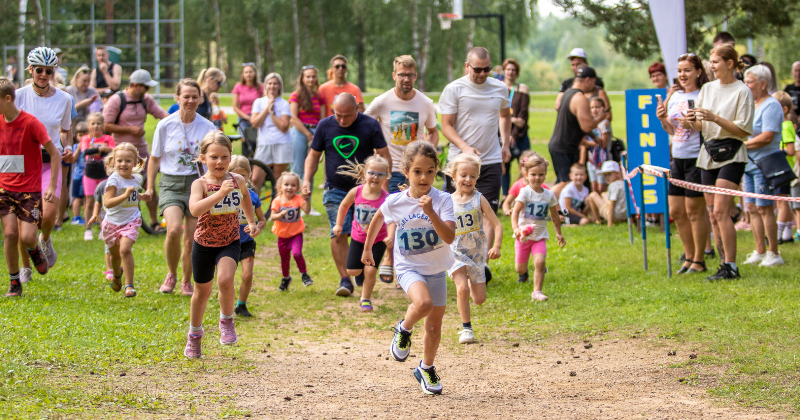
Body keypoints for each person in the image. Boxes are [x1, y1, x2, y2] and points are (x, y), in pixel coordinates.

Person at [361, 141, 456, 395]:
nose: (424, 177)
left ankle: (426, 368)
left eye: (430, 171)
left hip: (436, 268)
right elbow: (378, 218)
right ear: (406, 171)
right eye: (417, 171)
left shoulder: (443, 200)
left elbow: (449, 237)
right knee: (423, 304)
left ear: (436, 171)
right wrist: (367, 248)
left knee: (434, 327)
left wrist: (431, 212)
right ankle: (404, 328)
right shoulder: (395, 201)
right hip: (408, 267)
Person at [302, 93, 391, 296]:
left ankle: (359, 266)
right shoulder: (325, 125)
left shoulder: (370, 125)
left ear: (357, 109)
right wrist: (306, 179)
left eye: (347, 116)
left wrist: (383, 188)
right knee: (338, 231)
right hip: (335, 188)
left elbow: (384, 155)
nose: (342, 120)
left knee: (366, 229)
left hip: (366, 191)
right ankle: (345, 280)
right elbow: (313, 156)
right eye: (338, 115)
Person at [184, 131, 260, 359]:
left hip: (230, 241)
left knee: (226, 280)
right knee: (202, 292)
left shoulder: (237, 180)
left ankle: (226, 321)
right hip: (204, 244)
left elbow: (245, 197)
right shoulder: (200, 184)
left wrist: (251, 221)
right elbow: (194, 210)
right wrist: (220, 193)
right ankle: (194, 335)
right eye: (214, 157)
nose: (219, 162)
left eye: (224, 157)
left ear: (230, 157)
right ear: (203, 158)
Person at [364, 55, 438, 282]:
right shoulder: (382, 102)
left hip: (417, 171)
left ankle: (409, 266)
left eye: (410, 75)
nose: (406, 79)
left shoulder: (425, 103)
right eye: (402, 75)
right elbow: (365, 124)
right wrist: (375, 154)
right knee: (393, 215)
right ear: (394, 75)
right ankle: (389, 259)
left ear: (415, 76)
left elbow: (433, 131)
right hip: (392, 168)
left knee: (414, 217)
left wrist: (430, 152)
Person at [689, 44, 754, 281]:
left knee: (721, 210)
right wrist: (690, 121)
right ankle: (723, 264)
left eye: (715, 62)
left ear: (729, 63)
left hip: (732, 153)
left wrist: (715, 118)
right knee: (712, 213)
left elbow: (743, 131)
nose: (712, 66)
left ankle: (732, 266)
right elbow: (701, 125)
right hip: (708, 153)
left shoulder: (742, 91)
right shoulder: (707, 88)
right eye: (711, 62)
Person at [148, 79, 217, 296]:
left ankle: (187, 280)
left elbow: (215, 158)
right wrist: (150, 186)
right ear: (177, 98)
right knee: (173, 230)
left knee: (191, 237)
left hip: (196, 184)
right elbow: (154, 158)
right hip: (170, 183)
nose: (190, 100)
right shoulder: (165, 125)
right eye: (186, 96)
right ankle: (171, 273)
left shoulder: (208, 127)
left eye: (195, 97)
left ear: (200, 99)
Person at [15, 47, 74, 282]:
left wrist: (68, 146)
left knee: (48, 215)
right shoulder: (18, 96)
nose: (43, 75)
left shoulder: (64, 98)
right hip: (23, 163)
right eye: (39, 70)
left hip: (51, 161)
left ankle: (45, 239)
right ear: (30, 70)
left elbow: (66, 130)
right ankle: (24, 267)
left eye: (49, 71)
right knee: (22, 219)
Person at [0, 76, 59, 296]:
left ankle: (34, 249)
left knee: (26, 237)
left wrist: (51, 186)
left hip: (29, 190)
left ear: (8, 98)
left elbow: (54, 153)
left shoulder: (30, 123)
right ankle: (14, 282)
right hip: (4, 188)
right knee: (9, 234)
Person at [656, 52, 712, 274]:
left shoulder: (705, 95)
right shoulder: (676, 96)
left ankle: (699, 259)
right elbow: (672, 130)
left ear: (698, 72)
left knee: (694, 212)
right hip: (677, 159)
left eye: (687, 70)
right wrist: (663, 119)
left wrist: (694, 124)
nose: (683, 75)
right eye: (680, 71)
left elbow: (710, 127)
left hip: (697, 158)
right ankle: (688, 257)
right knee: (677, 211)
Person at [444, 154, 502, 344]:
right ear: (454, 176)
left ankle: (471, 279)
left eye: (472, 176)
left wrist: (496, 246)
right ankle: (466, 328)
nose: (468, 180)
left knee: (479, 299)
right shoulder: (446, 201)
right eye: (463, 175)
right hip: (455, 253)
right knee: (462, 288)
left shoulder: (479, 199)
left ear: (477, 178)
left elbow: (497, 225)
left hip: (476, 255)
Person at [103, 69, 169, 231]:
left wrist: (179, 121)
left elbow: (162, 115)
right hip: (121, 152)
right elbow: (106, 125)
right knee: (119, 188)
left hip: (141, 152)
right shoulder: (117, 100)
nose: (148, 90)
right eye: (145, 87)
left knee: (149, 185)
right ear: (135, 85)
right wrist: (130, 129)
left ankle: (154, 222)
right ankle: (117, 222)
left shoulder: (146, 100)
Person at [738, 65, 784, 267]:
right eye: (745, 82)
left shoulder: (771, 105)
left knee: (764, 208)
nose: (746, 86)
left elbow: (767, 136)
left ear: (763, 84)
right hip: (748, 164)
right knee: (751, 208)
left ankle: (774, 252)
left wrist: (742, 145)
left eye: (750, 82)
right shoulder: (750, 105)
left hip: (764, 163)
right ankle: (760, 250)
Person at [332, 156, 391, 311]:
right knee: (353, 270)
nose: (375, 177)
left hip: (377, 240)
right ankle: (360, 275)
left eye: (380, 174)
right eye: (372, 173)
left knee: (370, 270)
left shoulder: (386, 198)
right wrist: (339, 224)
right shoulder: (356, 191)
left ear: (386, 176)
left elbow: (392, 219)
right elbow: (344, 205)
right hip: (358, 238)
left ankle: (365, 299)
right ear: (365, 173)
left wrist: (390, 236)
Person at [93, 143, 151, 297]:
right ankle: (117, 276)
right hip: (112, 223)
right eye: (119, 161)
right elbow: (107, 202)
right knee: (115, 256)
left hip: (131, 221)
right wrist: (125, 195)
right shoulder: (114, 180)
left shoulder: (137, 179)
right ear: (114, 162)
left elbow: (133, 195)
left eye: (127, 161)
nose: (123, 164)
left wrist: (142, 196)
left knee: (125, 250)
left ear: (135, 162)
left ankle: (129, 285)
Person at [511, 153, 565, 301]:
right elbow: (515, 212)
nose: (537, 178)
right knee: (520, 268)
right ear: (526, 175)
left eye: (541, 174)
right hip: (523, 237)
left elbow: (554, 216)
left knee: (540, 262)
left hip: (539, 237)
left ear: (545, 175)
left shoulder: (549, 195)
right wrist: (516, 229)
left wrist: (559, 233)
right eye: (533, 174)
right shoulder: (525, 192)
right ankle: (525, 273)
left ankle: (537, 292)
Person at [549, 65, 606, 198]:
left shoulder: (568, 93)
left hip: (560, 146)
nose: (595, 86)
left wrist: (594, 137)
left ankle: (559, 207)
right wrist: (601, 117)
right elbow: (586, 126)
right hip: (564, 148)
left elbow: (578, 123)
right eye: (594, 82)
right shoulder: (580, 98)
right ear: (588, 80)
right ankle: (540, 202)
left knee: (565, 182)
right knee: (567, 183)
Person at [227, 156, 267, 317]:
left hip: (246, 242)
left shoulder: (253, 197)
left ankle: (241, 305)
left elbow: (262, 220)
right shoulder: (223, 195)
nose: (238, 179)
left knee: (247, 275)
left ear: (249, 175)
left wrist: (257, 227)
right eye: (234, 175)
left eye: (242, 176)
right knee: (227, 278)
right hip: (228, 243)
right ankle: (226, 308)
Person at [289, 66, 325, 216]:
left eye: (313, 77)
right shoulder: (296, 95)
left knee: (311, 169)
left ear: (316, 79)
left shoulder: (319, 97)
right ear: (303, 79)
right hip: (299, 132)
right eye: (308, 77)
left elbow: (322, 119)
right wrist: (309, 135)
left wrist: (316, 136)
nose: (311, 79)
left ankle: (307, 206)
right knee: (297, 168)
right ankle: (293, 205)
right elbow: (293, 118)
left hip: (316, 131)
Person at [270, 172, 313, 292]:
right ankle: (286, 278)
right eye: (286, 184)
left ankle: (304, 275)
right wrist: (280, 214)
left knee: (297, 254)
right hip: (282, 236)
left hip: (296, 235)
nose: (289, 187)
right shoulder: (277, 201)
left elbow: (307, 211)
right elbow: (272, 216)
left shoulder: (298, 199)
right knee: (285, 260)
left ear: (298, 188)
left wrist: (306, 199)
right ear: (280, 187)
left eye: (293, 185)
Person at [251, 73, 292, 189]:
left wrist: (272, 113)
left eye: (275, 83)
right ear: (265, 85)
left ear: (280, 86)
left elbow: (284, 127)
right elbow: (255, 123)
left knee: (279, 179)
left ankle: (278, 200)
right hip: (264, 143)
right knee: (255, 179)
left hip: (282, 142)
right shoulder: (259, 102)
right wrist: (267, 108)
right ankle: (255, 201)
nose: (272, 86)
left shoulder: (284, 104)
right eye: (269, 83)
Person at [80, 112, 115, 241]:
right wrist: (101, 149)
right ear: (89, 125)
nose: (96, 126)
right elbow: (86, 151)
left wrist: (96, 149)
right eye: (93, 123)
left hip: (104, 172)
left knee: (104, 201)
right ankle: (88, 229)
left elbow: (113, 151)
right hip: (90, 172)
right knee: (89, 201)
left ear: (103, 125)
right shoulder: (86, 138)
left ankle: (103, 228)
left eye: (98, 123)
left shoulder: (108, 138)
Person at [554, 48, 612, 120]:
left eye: (578, 64)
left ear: (586, 64)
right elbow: (558, 105)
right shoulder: (566, 83)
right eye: (573, 65)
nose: (576, 68)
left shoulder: (596, 83)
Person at [501, 58, 531, 196]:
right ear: (504, 71)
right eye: (508, 69)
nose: (510, 72)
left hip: (520, 135)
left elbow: (522, 119)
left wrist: (512, 134)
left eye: (513, 70)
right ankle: (505, 196)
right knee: (504, 166)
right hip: (502, 134)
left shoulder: (523, 89)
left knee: (527, 164)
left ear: (517, 72)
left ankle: (519, 193)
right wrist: (512, 121)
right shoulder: (498, 88)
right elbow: (496, 114)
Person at [772, 91, 797, 244]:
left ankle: (778, 235)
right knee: (783, 201)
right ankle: (787, 234)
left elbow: (791, 150)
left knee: (781, 202)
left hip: (784, 168)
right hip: (780, 167)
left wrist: (775, 150)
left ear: (784, 109)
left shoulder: (786, 126)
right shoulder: (782, 125)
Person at [586, 161, 628, 226]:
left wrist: (609, 224)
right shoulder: (624, 183)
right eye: (605, 175)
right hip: (625, 216)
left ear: (618, 173)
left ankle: (598, 221)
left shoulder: (613, 185)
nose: (607, 177)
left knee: (592, 195)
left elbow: (611, 206)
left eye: (609, 174)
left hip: (615, 216)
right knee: (604, 194)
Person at [90, 178, 115, 281]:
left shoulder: (125, 183)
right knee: (108, 247)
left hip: (122, 221)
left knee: (122, 247)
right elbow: (98, 203)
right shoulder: (102, 185)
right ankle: (110, 270)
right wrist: (95, 214)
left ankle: (120, 267)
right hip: (107, 221)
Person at [586, 97, 612, 193]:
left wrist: (585, 142)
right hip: (591, 161)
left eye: (597, 107)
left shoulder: (604, 123)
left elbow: (603, 144)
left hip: (603, 161)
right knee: (594, 188)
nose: (594, 110)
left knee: (602, 189)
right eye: (592, 107)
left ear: (602, 108)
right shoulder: (589, 123)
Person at [232, 63, 262, 139]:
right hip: (243, 119)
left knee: (256, 140)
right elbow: (235, 107)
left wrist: (255, 117)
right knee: (245, 140)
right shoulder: (238, 87)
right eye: (246, 72)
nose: (248, 74)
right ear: (243, 74)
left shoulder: (260, 87)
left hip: (257, 118)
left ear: (255, 73)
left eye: (250, 72)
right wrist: (247, 118)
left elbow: (264, 103)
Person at [70, 122, 88, 226]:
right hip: (78, 176)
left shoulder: (90, 146)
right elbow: (73, 160)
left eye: (85, 135)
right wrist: (79, 148)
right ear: (76, 136)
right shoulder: (75, 146)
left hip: (88, 175)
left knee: (87, 197)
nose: (82, 137)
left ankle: (87, 216)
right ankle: (76, 217)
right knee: (77, 197)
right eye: (80, 135)